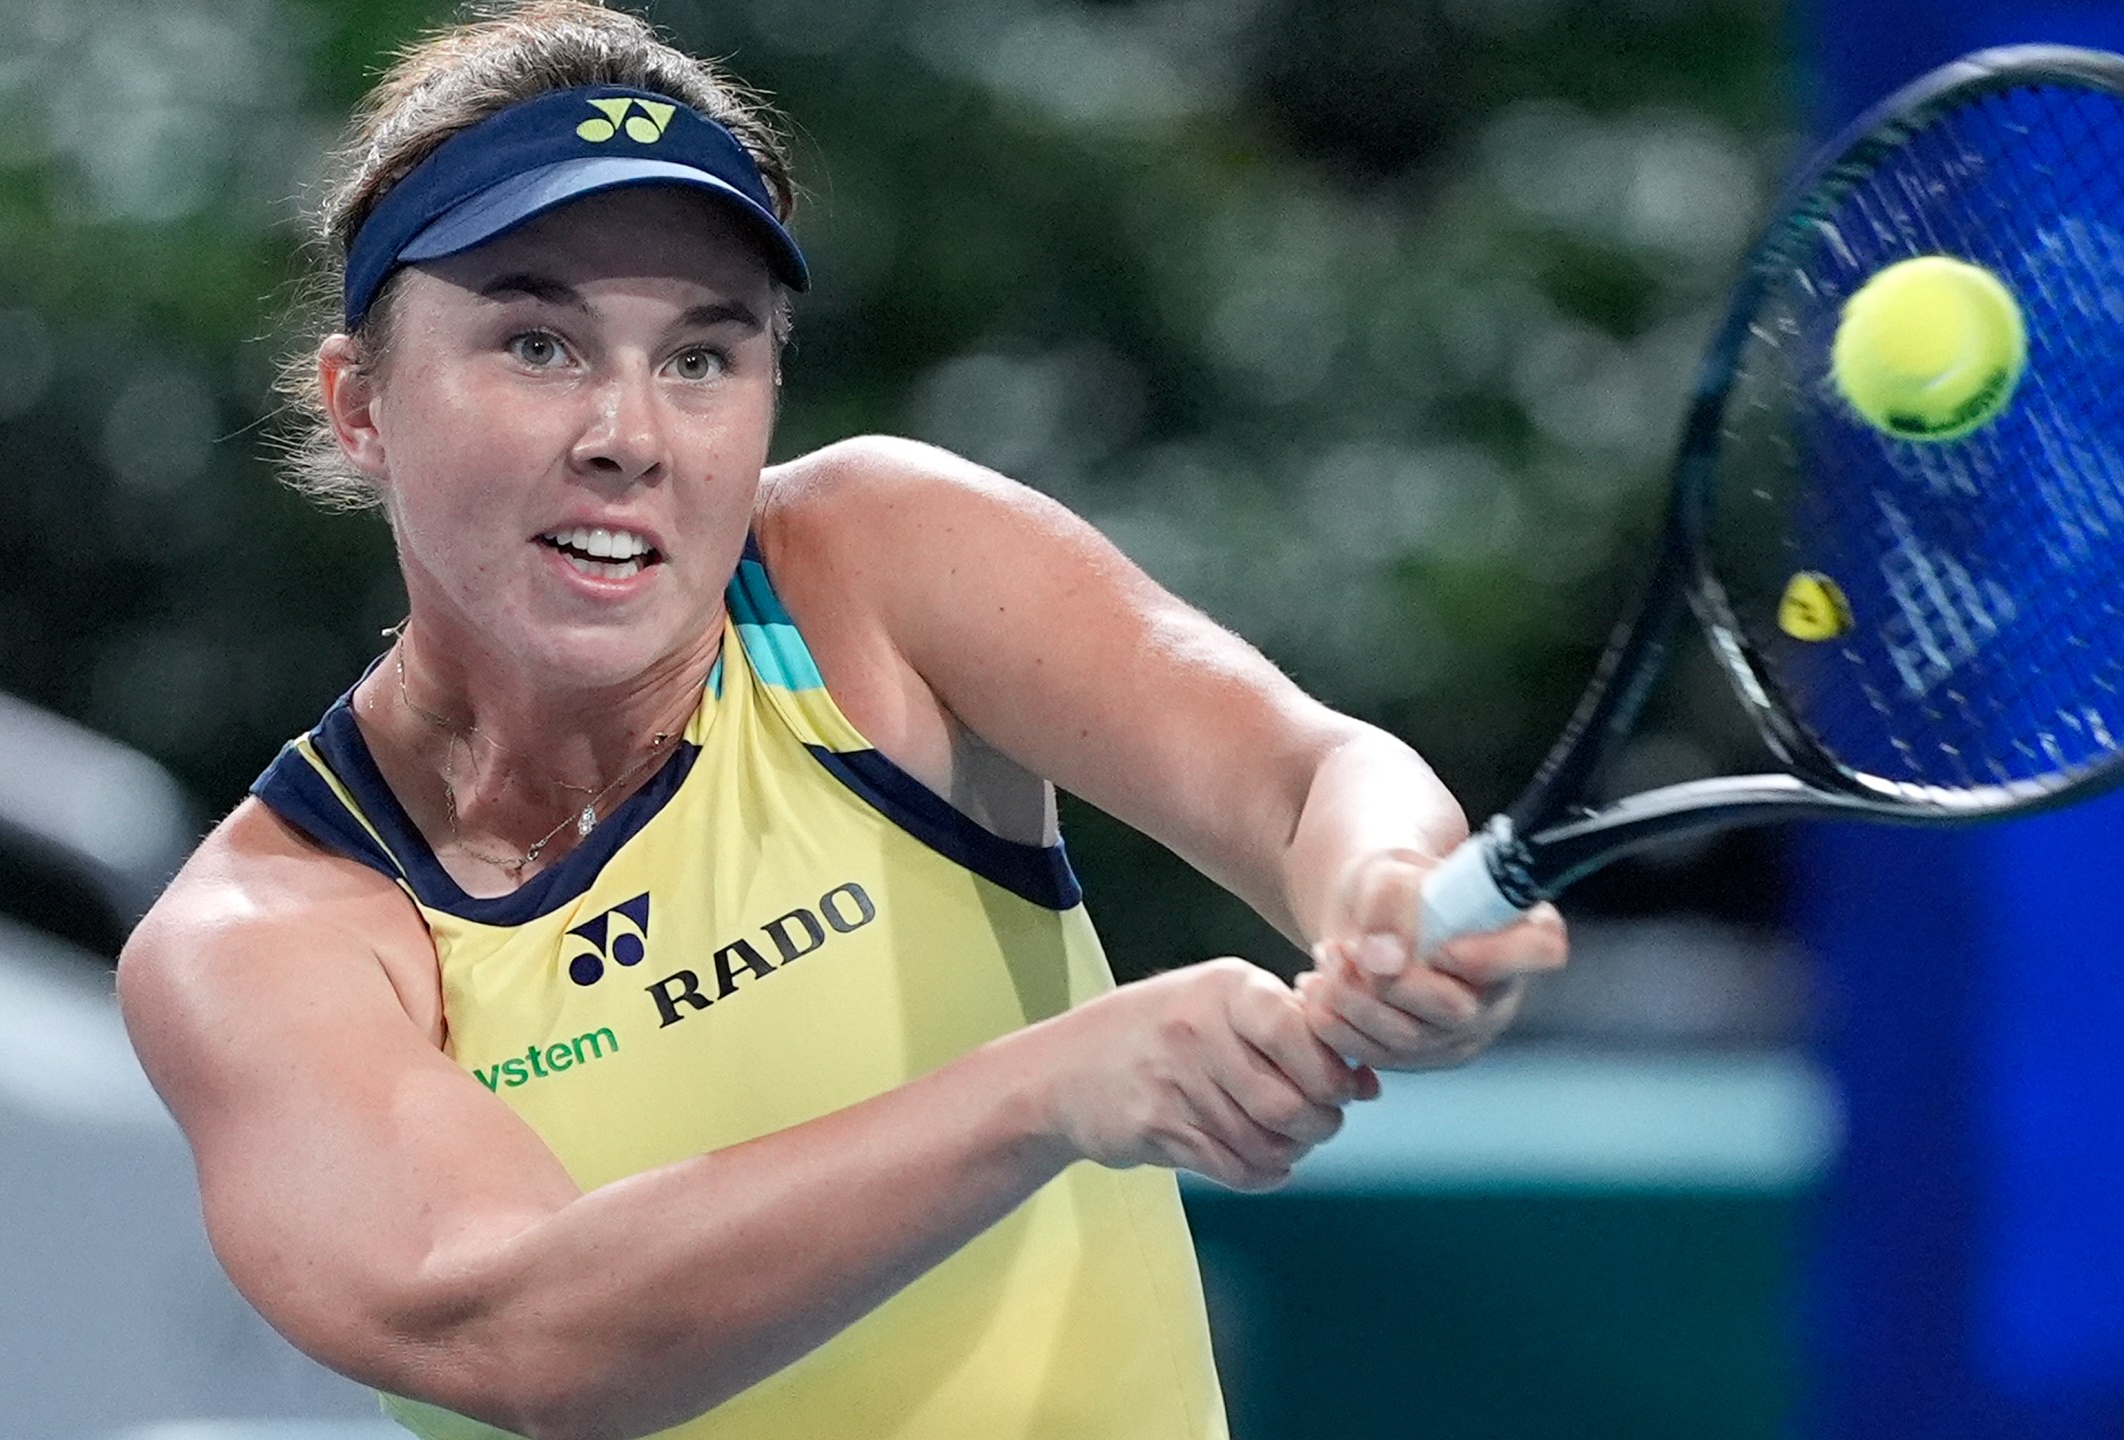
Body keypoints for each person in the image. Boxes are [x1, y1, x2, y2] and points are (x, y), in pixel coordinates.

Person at [116, 4, 1566, 1439]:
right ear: (360, 404)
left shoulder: (872, 566)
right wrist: (1049, 1089)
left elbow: (1307, 779)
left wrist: (1383, 893)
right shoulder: (262, 943)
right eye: (538, 344)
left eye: (701, 357)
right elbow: (522, 1331)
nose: (628, 432)